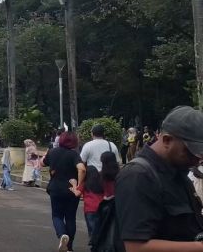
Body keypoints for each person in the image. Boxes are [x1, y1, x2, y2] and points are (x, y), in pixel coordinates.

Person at [116, 106, 203, 249]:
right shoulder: (138, 176)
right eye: (191, 152)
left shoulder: (179, 172)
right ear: (167, 140)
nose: (197, 159)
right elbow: (136, 247)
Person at [41, 131, 84, 252]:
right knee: (70, 218)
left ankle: (62, 235)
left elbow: (42, 163)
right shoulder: (74, 154)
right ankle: (69, 247)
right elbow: (82, 169)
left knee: (57, 215)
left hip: (55, 189)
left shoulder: (52, 152)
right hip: (71, 190)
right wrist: (79, 186)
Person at [79, 151, 118, 248]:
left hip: (103, 206)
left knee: (97, 231)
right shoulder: (121, 174)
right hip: (117, 206)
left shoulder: (101, 175)